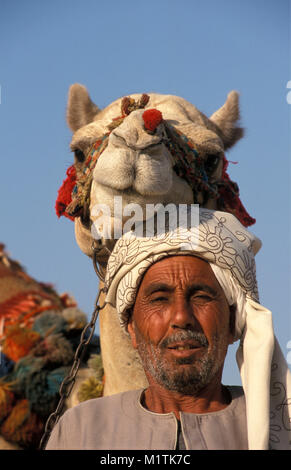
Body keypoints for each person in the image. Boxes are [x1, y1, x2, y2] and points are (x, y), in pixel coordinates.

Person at [45, 208, 291, 450]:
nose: (181, 317)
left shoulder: (281, 424)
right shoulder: (81, 430)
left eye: (201, 297)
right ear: (131, 325)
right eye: (160, 299)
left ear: (231, 322)